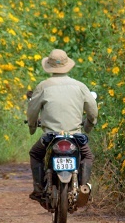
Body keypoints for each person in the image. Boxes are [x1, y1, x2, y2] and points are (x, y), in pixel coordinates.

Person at [26, 48, 98, 201]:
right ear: (67, 65)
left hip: (50, 137)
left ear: (49, 66)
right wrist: (88, 126)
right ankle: (83, 187)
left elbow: (32, 111)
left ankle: (38, 187)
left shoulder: (43, 87)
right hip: (75, 137)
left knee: (35, 153)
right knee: (88, 156)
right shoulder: (80, 86)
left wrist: (32, 127)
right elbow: (93, 111)